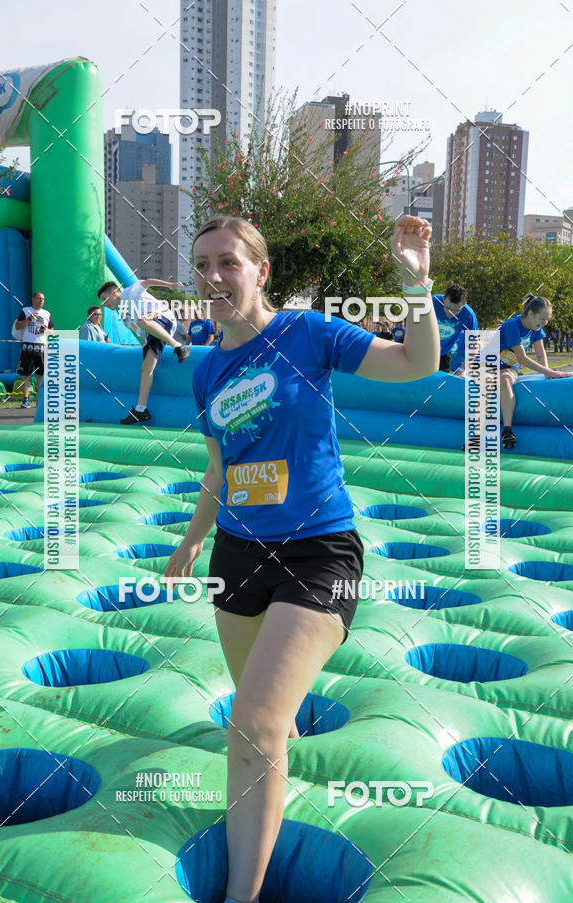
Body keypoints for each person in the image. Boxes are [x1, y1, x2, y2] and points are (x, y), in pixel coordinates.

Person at [164, 213, 440, 903]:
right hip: (237, 554)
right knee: (270, 722)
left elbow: (417, 363)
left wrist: (416, 287)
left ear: (261, 271)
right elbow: (218, 466)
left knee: (252, 725)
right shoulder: (208, 371)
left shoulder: (307, 333)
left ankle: (242, 895)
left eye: (228, 262)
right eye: (202, 265)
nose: (213, 276)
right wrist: (194, 537)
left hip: (319, 551)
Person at [98, 278, 190, 424]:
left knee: (143, 320)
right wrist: (145, 345)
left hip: (163, 317)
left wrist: (170, 285)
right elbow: (143, 333)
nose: (104, 303)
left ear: (114, 293)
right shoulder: (124, 317)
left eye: (104, 298)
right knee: (146, 368)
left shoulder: (130, 292)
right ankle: (141, 410)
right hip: (154, 331)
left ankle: (178, 346)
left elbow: (148, 282)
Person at [499, 295, 572, 449]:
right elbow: (522, 358)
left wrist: (546, 374)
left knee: (505, 380)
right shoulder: (512, 325)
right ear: (530, 313)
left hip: (508, 367)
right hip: (487, 364)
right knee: (494, 384)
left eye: (547, 320)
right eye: (543, 318)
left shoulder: (536, 329)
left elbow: (540, 353)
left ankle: (507, 430)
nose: (545, 323)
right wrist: (553, 372)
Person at [13, 291, 53, 408]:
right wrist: (29, 319)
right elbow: (17, 326)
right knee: (26, 375)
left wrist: (45, 330)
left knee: (41, 375)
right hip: (28, 347)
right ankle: (25, 400)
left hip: (42, 348)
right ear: (33, 299)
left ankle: (40, 401)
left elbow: (52, 331)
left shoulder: (46, 313)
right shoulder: (25, 311)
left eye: (43, 299)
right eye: (39, 298)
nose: (41, 301)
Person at [428, 283, 477, 376]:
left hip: (444, 354)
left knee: (441, 387)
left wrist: (463, 370)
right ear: (444, 299)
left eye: (456, 310)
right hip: (422, 350)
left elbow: (474, 345)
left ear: (464, 304)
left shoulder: (468, 315)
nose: (450, 313)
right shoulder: (432, 302)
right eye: (447, 307)